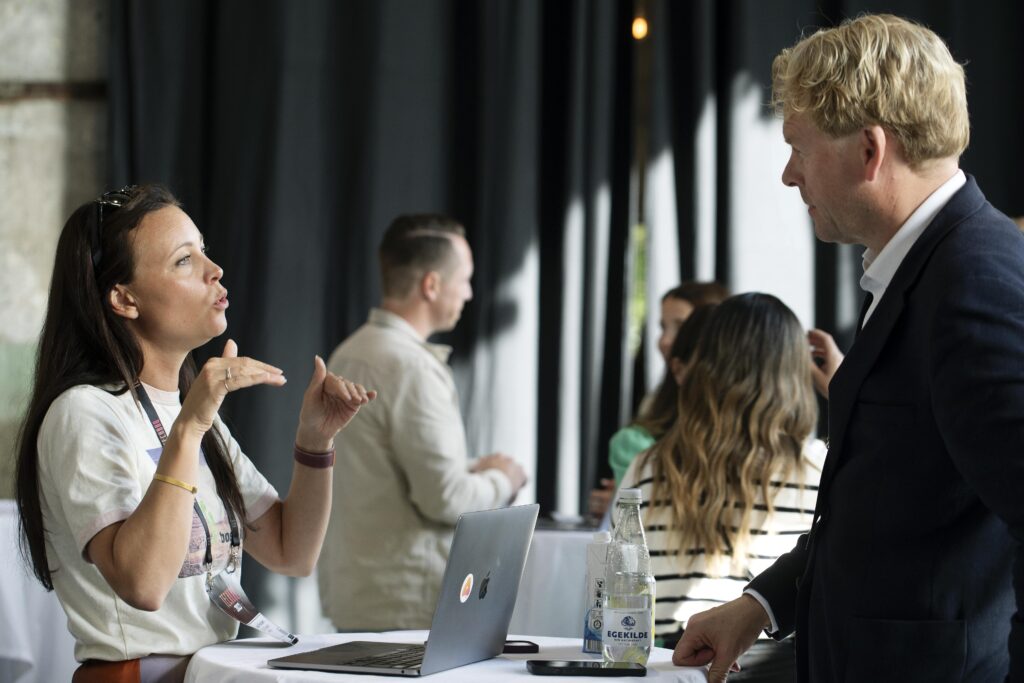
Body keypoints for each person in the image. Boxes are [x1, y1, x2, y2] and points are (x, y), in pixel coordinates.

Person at [674, 14, 1024, 682]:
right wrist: (759, 603)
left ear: (869, 150)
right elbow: (889, 507)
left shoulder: (971, 282)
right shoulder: (928, 269)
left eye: (798, 147)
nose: (787, 175)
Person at [14, 185, 375, 683]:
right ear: (124, 298)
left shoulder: (190, 413)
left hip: (212, 671)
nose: (214, 269)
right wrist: (191, 426)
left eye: (204, 250)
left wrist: (315, 443)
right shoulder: (84, 412)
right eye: (184, 261)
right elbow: (143, 583)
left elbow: (292, 552)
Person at [318, 213, 528, 631]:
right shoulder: (410, 366)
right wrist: (504, 479)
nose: (469, 292)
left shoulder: (349, 353)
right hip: (407, 604)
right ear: (431, 285)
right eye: (464, 279)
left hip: (358, 593)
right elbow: (445, 498)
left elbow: (383, 473)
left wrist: (468, 468)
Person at [621, 293, 823, 680]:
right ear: (793, 373)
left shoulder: (646, 466)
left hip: (667, 666)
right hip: (773, 669)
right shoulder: (820, 467)